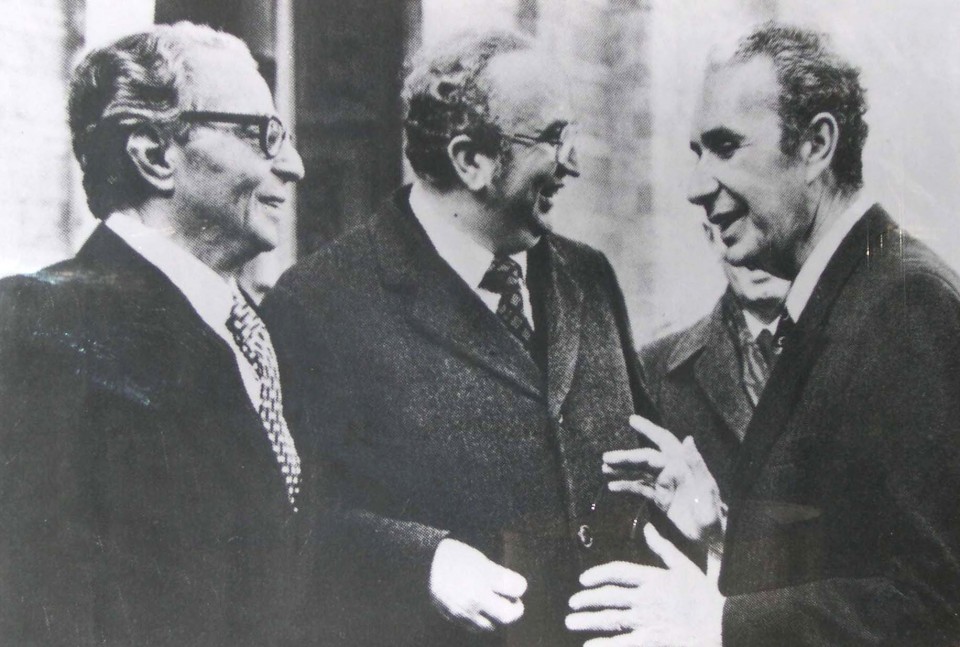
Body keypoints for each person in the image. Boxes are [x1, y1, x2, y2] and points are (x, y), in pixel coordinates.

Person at [567, 22, 960, 645]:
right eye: (697, 152)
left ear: (816, 146)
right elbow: (853, 560)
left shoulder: (907, 304)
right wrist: (721, 534)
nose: (696, 187)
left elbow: (937, 609)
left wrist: (720, 624)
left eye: (725, 147)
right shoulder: (846, 296)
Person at [262, 29, 658, 646]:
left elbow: (643, 460)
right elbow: (296, 532)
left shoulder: (590, 275)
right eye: (554, 138)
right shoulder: (320, 304)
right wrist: (423, 562)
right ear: (471, 160)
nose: (574, 164)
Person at [0, 23, 310, 646]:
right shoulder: (37, 326)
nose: (293, 166)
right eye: (262, 135)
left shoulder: (251, 327)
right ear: (155, 156)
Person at [637, 223, 790, 500]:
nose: (753, 249)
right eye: (732, 225)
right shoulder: (652, 369)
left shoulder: (858, 346)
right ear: (711, 237)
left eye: (765, 224)